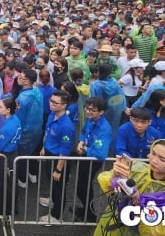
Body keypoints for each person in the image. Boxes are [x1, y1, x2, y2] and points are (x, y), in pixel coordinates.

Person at [93, 138, 165, 236]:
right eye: (153, 153)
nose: (154, 160)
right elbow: (107, 185)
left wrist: (138, 203)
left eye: (162, 159)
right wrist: (115, 177)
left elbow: (160, 233)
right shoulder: (137, 169)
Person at [38, 90, 75, 225]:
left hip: (58, 159)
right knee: (52, 183)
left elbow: (64, 151)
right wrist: (43, 147)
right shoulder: (52, 115)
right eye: (50, 101)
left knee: (59, 189)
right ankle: (52, 200)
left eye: (55, 102)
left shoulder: (66, 126)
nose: (51, 104)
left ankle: (56, 216)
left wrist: (59, 169)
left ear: (64, 105)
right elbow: (47, 132)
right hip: (49, 153)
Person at [74, 96, 112, 222]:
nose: (88, 112)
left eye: (93, 110)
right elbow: (84, 132)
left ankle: (90, 215)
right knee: (81, 186)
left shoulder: (104, 129)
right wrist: (81, 141)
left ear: (101, 112)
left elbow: (101, 154)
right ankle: (85, 209)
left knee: (84, 187)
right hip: (86, 156)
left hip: (93, 161)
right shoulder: (91, 120)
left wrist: (86, 149)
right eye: (87, 108)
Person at [0, 97, 21, 216]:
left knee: (3, 184)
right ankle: (12, 208)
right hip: (13, 153)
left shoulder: (7, 128)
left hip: (5, 156)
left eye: (0, 107)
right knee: (11, 184)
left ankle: (5, 210)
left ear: (8, 110)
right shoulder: (15, 119)